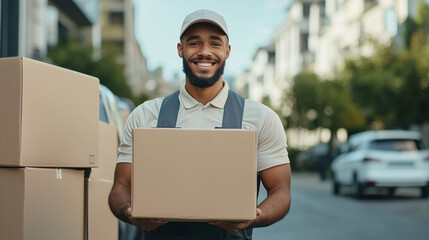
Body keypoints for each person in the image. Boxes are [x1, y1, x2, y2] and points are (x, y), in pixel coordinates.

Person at [109, 9, 291, 240]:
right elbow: (120, 188)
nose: (204, 52)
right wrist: (129, 212)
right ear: (180, 49)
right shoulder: (146, 116)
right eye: (194, 43)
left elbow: (281, 192)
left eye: (215, 44)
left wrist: (255, 216)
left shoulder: (260, 118)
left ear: (227, 51)